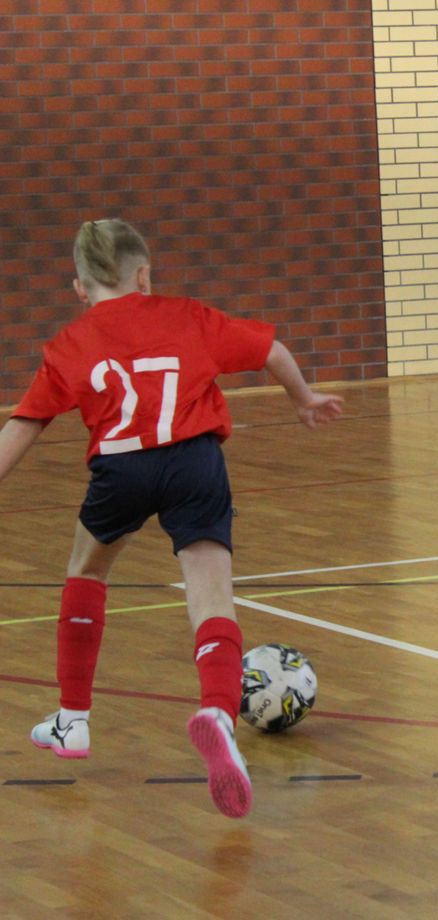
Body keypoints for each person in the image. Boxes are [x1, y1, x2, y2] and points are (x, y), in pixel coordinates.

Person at [0, 219, 344, 819]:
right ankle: (218, 712)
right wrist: (303, 399)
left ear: (79, 288)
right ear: (144, 275)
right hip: (195, 462)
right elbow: (271, 351)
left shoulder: (69, 344)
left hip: (120, 468)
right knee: (212, 597)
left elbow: (21, 429)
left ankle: (72, 719)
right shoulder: (187, 316)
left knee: (87, 570)